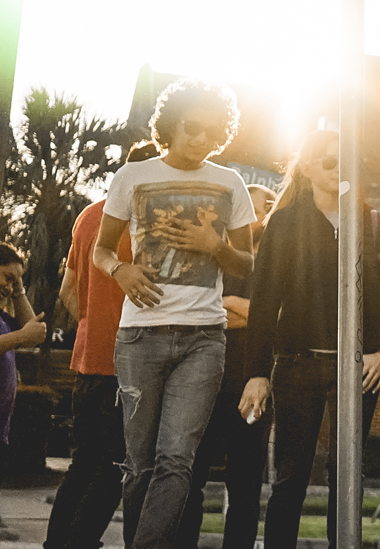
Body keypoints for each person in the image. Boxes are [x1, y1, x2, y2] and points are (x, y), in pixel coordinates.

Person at [92, 80, 256, 549]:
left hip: (204, 338)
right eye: (192, 127)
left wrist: (215, 246)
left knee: (176, 459)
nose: (201, 138)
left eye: (212, 131)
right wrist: (120, 269)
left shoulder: (230, 183)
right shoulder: (132, 177)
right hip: (140, 337)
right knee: (138, 462)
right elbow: (101, 251)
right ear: (170, 125)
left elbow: (247, 264)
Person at [239, 128, 380, 549]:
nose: (339, 170)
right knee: (290, 477)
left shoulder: (370, 220)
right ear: (308, 167)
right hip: (296, 364)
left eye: (347, 162)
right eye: (329, 161)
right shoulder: (285, 222)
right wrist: (256, 372)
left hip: (358, 367)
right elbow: (263, 301)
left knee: (347, 477)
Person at [46, 142, 159, 549]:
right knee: (115, 468)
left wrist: (95, 327)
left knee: (84, 464)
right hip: (130, 364)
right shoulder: (149, 222)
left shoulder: (90, 215)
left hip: (89, 362)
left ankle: (57, 543)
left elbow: (68, 292)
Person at [176, 181, 278, 549]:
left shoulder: (272, 261)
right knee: (191, 476)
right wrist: (244, 310)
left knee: (246, 484)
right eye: (244, 206)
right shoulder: (210, 257)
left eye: (259, 206)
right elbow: (198, 312)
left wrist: (228, 304)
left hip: (254, 384)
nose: (251, 214)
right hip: (202, 381)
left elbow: (275, 318)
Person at [0, 237, 44, 532]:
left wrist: (19, 289)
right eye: (7, 277)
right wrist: (20, 337)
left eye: (15, 283)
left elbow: (33, 333)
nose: (9, 287)